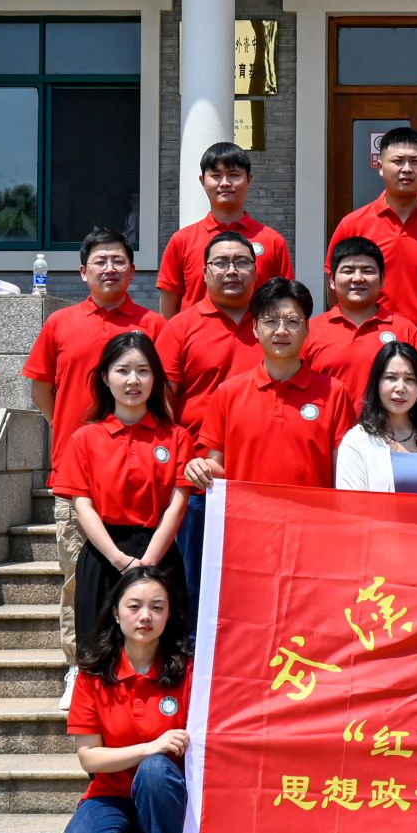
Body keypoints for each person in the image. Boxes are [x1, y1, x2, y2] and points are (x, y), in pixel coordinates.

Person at [22, 228, 168, 701]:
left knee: (145, 582)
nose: (110, 269)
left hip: (143, 478)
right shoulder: (61, 323)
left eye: (119, 261)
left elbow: (165, 392)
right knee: (76, 580)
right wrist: (71, 432)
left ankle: (141, 666)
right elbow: (41, 389)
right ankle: (79, 666)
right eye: (100, 261)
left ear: (133, 269)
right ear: (83, 271)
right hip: (78, 479)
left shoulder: (153, 325)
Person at [49, 332, 192, 667]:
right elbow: (82, 506)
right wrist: (119, 560)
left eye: (143, 371)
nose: (133, 381)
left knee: (166, 654)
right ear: (105, 377)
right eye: (122, 370)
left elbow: (177, 504)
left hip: (159, 553)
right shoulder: (84, 438)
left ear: (155, 377)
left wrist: (149, 562)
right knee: (99, 653)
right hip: (103, 555)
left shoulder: (176, 437)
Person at [58, 562, 195, 833]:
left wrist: (154, 755)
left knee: (155, 769)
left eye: (157, 607)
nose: (145, 616)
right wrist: (151, 746)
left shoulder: (189, 670)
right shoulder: (93, 675)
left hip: (170, 798)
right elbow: (90, 758)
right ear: (116, 614)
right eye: (134, 606)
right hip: (112, 795)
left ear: (169, 615)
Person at [157, 229, 261, 620]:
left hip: (262, 480)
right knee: (196, 587)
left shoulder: (272, 325)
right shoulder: (180, 327)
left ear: (255, 270)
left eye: (241, 262)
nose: (232, 271)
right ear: (204, 272)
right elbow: (161, 406)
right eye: (222, 263)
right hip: (201, 480)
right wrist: (183, 462)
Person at [181, 279, 352, 498]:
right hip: (247, 515)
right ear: (255, 328)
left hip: (311, 517)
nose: (281, 331)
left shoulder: (334, 392)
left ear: (307, 328)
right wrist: (199, 468)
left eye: (292, 321)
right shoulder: (228, 393)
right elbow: (217, 467)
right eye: (270, 321)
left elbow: (342, 474)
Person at [325, 126, 417, 334]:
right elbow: (335, 290)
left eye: (415, 161)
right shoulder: (353, 225)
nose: (407, 169)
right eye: (398, 161)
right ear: (380, 166)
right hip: (373, 340)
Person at [154, 141, 292, 317]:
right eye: (216, 175)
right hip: (195, 334)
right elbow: (168, 310)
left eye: (234, 175)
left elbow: (285, 301)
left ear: (249, 180)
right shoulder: (182, 240)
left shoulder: (272, 241)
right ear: (202, 181)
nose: (225, 183)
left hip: (255, 335)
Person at [301, 237, 417, 410]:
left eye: (367, 271)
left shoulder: (405, 330)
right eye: (348, 271)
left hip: (387, 427)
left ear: (382, 279)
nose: (358, 278)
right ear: (331, 280)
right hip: (327, 426)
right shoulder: (309, 331)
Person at [337, 340, 417, 494]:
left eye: (410, 379)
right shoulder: (356, 441)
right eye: (391, 377)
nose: (400, 388)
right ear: (376, 383)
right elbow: (351, 504)